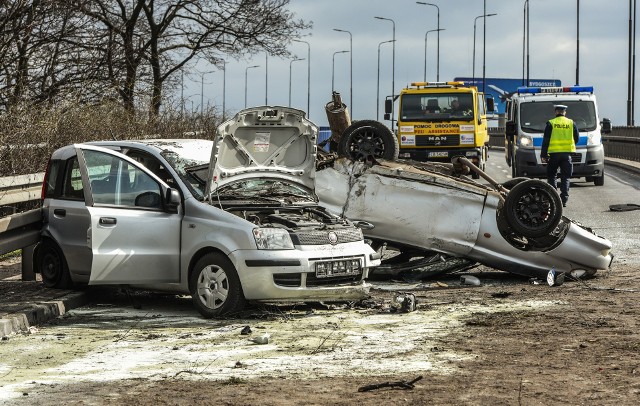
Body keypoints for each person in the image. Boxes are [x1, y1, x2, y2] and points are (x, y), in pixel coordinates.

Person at [540, 104, 580, 207]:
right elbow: (576, 138)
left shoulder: (551, 123)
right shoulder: (571, 123)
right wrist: (570, 145)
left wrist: (543, 155)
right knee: (565, 177)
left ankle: (553, 198)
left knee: (552, 176)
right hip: (567, 155)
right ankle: (564, 200)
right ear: (565, 112)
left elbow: (546, 141)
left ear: (556, 112)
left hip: (553, 155)